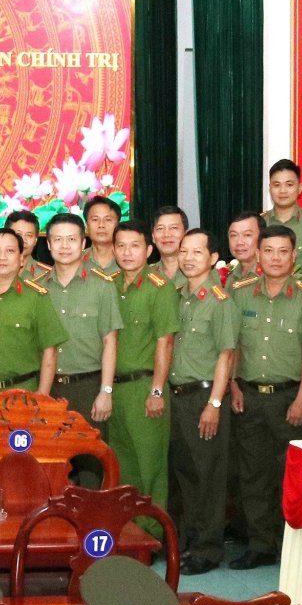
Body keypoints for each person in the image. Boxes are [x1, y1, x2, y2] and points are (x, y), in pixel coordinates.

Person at [228, 224, 302, 570]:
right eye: (268, 251)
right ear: (258, 254)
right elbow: (233, 345)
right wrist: (233, 384)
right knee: (252, 474)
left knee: (289, 474)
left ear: (294, 255)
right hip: (249, 396)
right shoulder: (240, 294)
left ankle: (290, 546)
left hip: (289, 398)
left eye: (283, 251)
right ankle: (259, 545)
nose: (275, 258)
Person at [168, 228, 237, 575]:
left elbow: (227, 355)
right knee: (185, 473)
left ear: (212, 258)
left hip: (204, 397)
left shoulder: (220, 301)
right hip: (177, 397)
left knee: (208, 475)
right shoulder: (178, 296)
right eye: (184, 251)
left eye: (197, 252)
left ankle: (208, 549)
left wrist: (215, 403)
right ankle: (190, 541)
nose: (188, 258)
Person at [107, 222, 178, 530]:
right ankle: (128, 534)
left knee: (150, 468)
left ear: (149, 250)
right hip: (115, 390)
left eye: (134, 246)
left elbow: (166, 341)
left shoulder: (159, 288)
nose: (127, 252)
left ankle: (153, 536)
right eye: (121, 246)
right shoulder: (109, 285)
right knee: (122, 467)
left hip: (145, 388)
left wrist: (157, 391)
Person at [0, 229, 66, 402]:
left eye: (10, 251)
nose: (2, 257)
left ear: (21, 259)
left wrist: (42, 396)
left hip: (23, 394)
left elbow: (50, 350)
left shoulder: (37, 297)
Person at [41, 213, 121, 430]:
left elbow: (110, 341)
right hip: (47, 387)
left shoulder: (102, 286)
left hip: (88, 387)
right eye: (58, 239)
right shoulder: (38, 288)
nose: (65, 246)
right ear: (48, 244)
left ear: (83, 243)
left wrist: (106, 391)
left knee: (90, 450)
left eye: (72, 239)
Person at [6, 209, 50, 281]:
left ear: (36, 240)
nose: (23, 240)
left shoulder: (47, 275)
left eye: (29, 235)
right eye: (18, 234)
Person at [82, 196, 122, 274]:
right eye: (95, 219)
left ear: (118, 225)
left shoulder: (130, 260)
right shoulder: (74, 262)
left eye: (108, 220)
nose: (101, 225)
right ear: (86, 225)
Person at [150, 206, 189, 282]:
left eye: (173, 227)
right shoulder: (145, 275)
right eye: (160, 228)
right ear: (153, 237)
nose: (166, 234)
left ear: (186, 234)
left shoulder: (200, 273)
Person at [222, 211, 263, 285]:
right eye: (234, 235)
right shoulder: (224, 276)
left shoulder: (273, 275)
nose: (239, 242)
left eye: (247, 235)